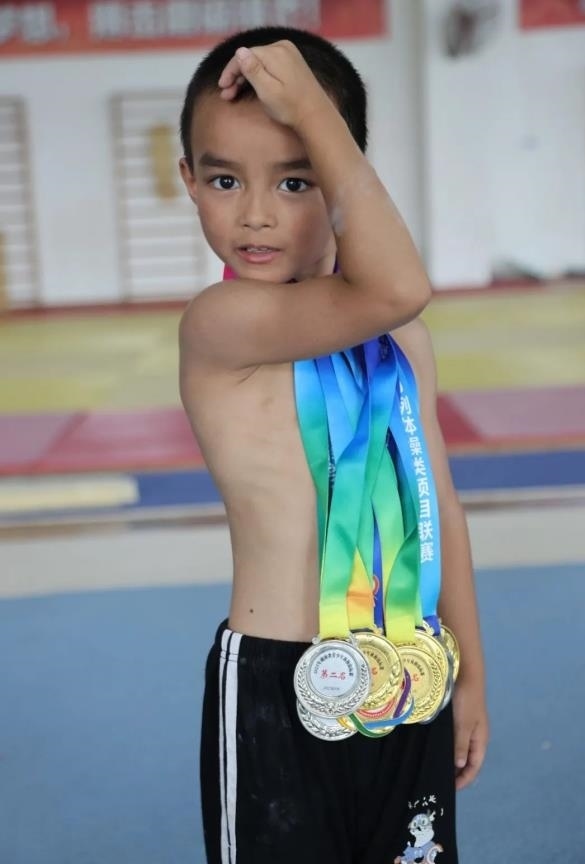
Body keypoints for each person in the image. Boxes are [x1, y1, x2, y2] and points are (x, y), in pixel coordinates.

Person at [178, 25, 488, 864]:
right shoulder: (222, 322)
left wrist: (466, 672)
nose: (255, 213)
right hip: (274, 688)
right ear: (188, 181)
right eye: (224, 180)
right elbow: (396, 284)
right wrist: (315, 116)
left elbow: (439, 506)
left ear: (341, 169)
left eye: (296, 179)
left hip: (409, 665)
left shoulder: (402, 341)